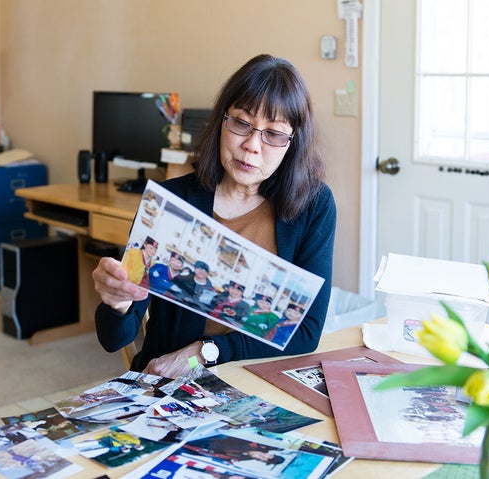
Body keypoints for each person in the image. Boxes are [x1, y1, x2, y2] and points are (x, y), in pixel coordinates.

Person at [93, 53, 336, 378]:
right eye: (241, 123)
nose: (252, 145)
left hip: (258, 382)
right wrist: (118, 302)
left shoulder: (314, 205)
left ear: (293, 142)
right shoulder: (171, 201)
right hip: (169, 383)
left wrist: (205, 352)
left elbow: (306, 333)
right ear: (222, 120)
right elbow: (115, 339)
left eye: (274, 134)